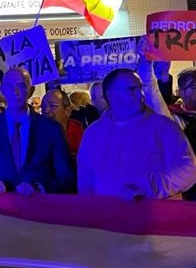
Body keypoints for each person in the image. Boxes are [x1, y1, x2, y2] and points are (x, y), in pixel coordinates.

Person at [77, 68, 196, 200]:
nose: (141, 95)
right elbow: (85, 179)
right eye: (132, 90)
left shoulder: (164, 127)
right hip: (109, 216)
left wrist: (146, 187)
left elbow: (189, 169)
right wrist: (90, 210)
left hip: (157, 216)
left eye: (141, 88)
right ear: (111, 95)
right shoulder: (93, 133)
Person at [0, 67, 75, 195]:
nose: (15, 91)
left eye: (21, 86)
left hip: (39, 208)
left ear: (31, 91)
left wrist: (40, 188)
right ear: (2, 90)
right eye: (9, 86)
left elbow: (66, 175)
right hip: (1, 207)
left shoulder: (51, 128)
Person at [41, 89, 84, 156]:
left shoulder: (81, 137)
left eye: (53, 106)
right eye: (43, 107)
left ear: (67, 111)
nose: (46, 111)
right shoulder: (35, 136)